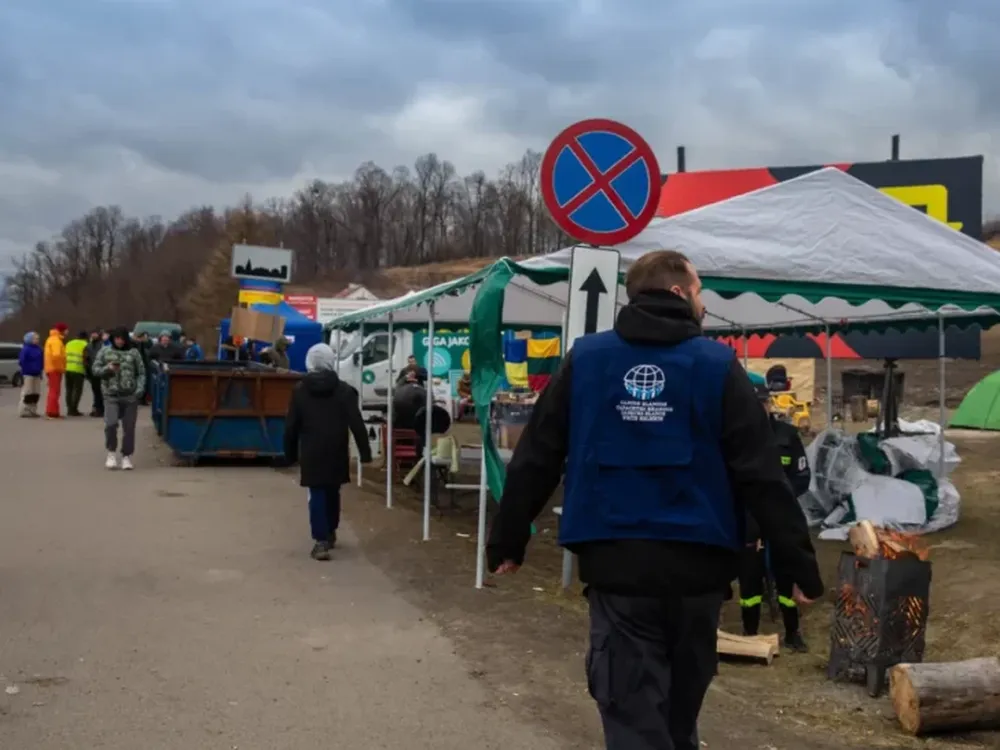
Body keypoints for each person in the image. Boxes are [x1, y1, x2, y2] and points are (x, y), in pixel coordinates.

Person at [486, 250, 824, 750]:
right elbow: (759, 474)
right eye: (701, 291)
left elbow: (537, 455)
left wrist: (508, 539)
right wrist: (797, 563)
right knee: (675, 721)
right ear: (679, 293)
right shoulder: (718, 366)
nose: (705, 304)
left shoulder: (588, 359)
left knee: (637, 720)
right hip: (698, 577)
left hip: (619, 573)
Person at [738, 383, 813, 652]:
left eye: (762, 403)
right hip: (750, 519)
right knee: (749, 579)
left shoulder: (786, 435)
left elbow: (802, 476)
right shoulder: (738, 436)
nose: (758, 408)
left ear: (769, 404)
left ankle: (793, 631)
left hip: (781, 517)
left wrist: (780, 501)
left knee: (786, 574)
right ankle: (749, 633)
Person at [284, 343, 371, 561]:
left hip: (312, 450)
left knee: (317, 494)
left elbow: (291, 425)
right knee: (333, 490)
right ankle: (331, 529)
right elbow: (357, 423)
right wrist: (365, 452)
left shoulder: (300, 391)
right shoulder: (345, 390)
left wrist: (289, 452)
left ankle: (320, 540)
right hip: (336, 448)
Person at [92, 326, 146, 470]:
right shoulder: (105, 351)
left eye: (122, 339)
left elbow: (141, 372)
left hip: (130, 395)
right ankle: (111, 452)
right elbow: (95, 370)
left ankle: (126, 456)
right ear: (113, 339)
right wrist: (107, 369)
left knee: (129, 428)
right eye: (117, 339)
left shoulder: (134, 353)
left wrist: (139, 390)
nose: (120, 341)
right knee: (111, 424)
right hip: (111, 395)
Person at [43, 323, 69, 418]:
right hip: (55, 369)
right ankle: (52, 413)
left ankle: (52, 411)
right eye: (66, 329)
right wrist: (61, 368)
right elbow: (57, 355)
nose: (67, 331)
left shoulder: (53, 339)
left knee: (53, 391)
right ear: (62, 330)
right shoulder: (56, 341)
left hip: (51, 368)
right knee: (55, 391)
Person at [17, 332, 44, 418]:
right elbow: (21, 361)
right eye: (35, 338)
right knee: (27, 392)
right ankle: (23, 410)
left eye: (37, 338)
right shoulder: (26, 349)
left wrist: (41, 370)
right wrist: (27, 368)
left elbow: (41, 361)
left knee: (36, 393)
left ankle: (33, 411)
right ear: (30, 339)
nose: (37, 340)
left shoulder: (39, 349)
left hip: (37, 373)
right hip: (28, 373)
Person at [63, 330, 89, 417]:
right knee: (77, 390)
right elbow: (86, 358)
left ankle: (69, 408)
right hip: (78, 370)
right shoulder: (85, 345)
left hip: (67, 369)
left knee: (69, 390)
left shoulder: (69, 343)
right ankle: (74, 409)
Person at [86, 330, 105, 416]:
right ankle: (96, 408)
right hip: (91, 371)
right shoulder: (89, 346)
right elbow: (87, 359)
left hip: (100, 371)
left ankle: (100, 409)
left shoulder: (101, 345)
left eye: (95, 334)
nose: (93, 335)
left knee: (100, 392)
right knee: (96, 392)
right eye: (92, 334)